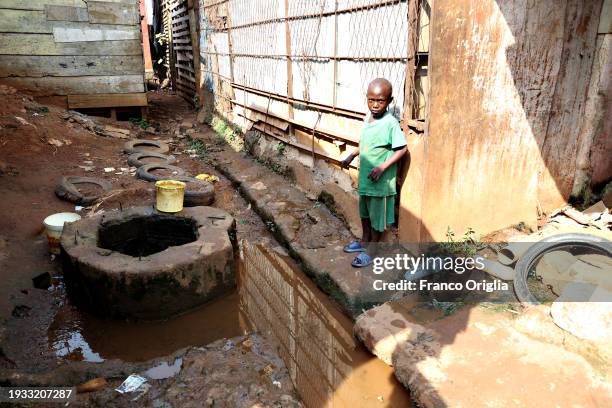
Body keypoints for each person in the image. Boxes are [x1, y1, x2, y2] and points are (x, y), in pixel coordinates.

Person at [340, 78, 407, 267]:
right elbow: (365, 143)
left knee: (378, 217)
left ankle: (373, 249)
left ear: (389, 100)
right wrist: (352, 155)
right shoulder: (366, 118)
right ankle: (364, 241)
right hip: (366, 178)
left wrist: (382, 167)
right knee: (365, 212)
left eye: (380, 101)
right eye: (371, 100)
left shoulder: (390, 123)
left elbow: (402, 149)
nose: (375, 105)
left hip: (381, 180)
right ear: (367, 99)